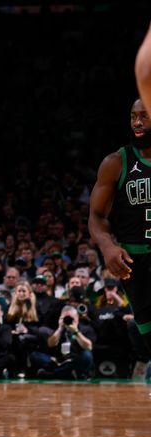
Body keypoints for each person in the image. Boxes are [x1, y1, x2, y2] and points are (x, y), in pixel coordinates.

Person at [89, 97, 151, 359]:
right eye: (133, 116)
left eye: (144, 116)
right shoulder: (116, 162)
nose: (137, 123)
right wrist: (107, 245)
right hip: (135, 261)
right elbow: (96, 215)